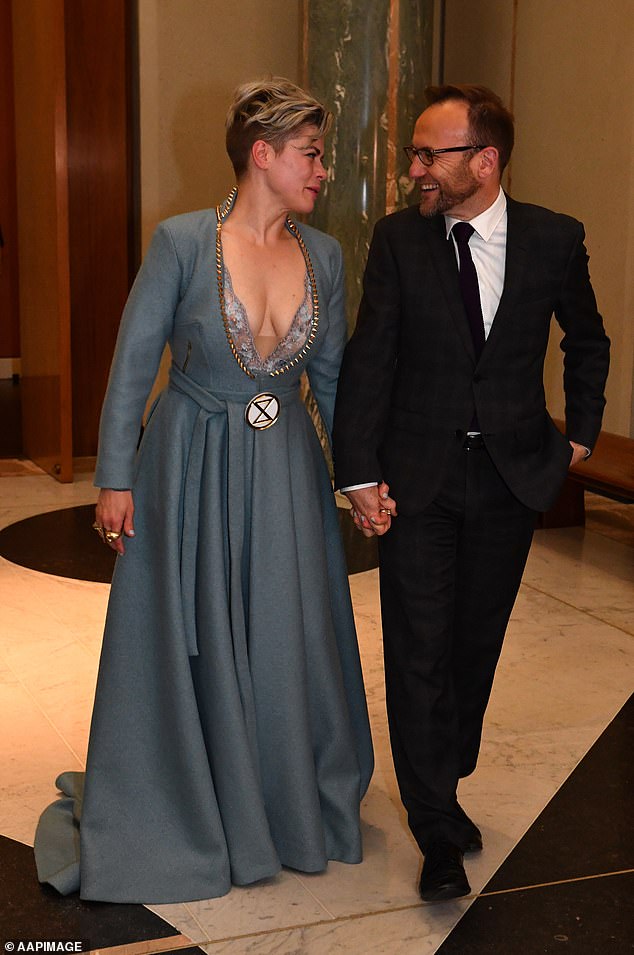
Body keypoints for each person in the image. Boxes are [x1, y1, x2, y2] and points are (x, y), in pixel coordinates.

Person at [34, 78, 373, 904]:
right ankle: (184, 798)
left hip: (287, 468)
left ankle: (281, 801)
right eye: (312, 154)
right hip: (187, 460)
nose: (322, 170)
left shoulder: (324, 254)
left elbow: (332, 384)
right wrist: (115, 476)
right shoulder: (182, 242)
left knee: (285, 629)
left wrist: (359, 481)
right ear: (264, 155)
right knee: (193, 631)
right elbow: (132, 366)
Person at [332, 84, 609, 902]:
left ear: (484, 161)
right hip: (417, 480)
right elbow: (371, 357)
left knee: (471, 650)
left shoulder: (555, 239)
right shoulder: (399, 241)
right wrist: (357, 471)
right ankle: (435, 822)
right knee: (416, 649)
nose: (415, 168)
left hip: (511, 477)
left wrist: (579, 437)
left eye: (430, 154)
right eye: (416, 152)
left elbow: (587, 339)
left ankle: (443, 781)